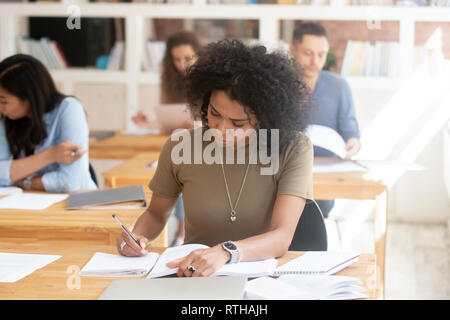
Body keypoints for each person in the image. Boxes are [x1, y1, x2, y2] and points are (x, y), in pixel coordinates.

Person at [116, 39, 314, 277]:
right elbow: (156, 214)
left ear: (266, 118)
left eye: (238, 123)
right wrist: (138, 237)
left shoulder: (294, 148)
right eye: (214, 114)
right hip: (192, 277)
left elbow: (281, 236)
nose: (220, 129)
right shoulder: (181, 145)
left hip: (261, 278)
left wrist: (226, 252)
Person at [132, 31, 202, 247]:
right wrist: (148, 124)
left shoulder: (210, 80)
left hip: (204, 142)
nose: (182, 65)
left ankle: (182, 232)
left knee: (186, 172)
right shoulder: (171, 82)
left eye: (188, 58)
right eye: (177, 59)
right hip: (182, 142)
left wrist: (197, 125)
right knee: (175, 171)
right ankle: (179, 233)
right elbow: (170, 121)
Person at [289, 22, 361, 225]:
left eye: (321, 55)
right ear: (293, 50)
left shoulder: (339, 86)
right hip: (286, 171)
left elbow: (351, 133)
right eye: (308, 53)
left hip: (326, 178)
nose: (315, 61)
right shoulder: (278, 84)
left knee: (314, 209)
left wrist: (353, 143)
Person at [0, 54, 97, 192]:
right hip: (31, 203)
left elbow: (70, 182)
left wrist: (22, 181)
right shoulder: (8, 119)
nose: (0, 107)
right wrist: (50, 155)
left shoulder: (69, 108)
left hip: (76, 204)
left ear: (28, 97)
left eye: (4, 101)